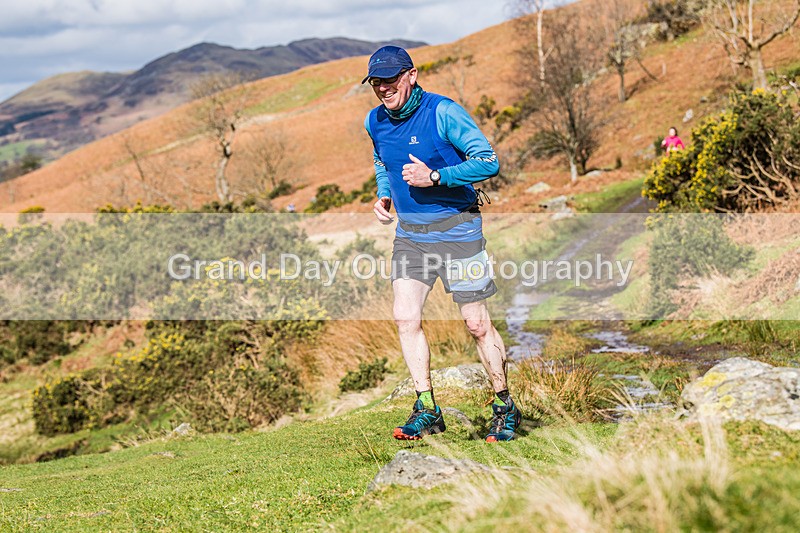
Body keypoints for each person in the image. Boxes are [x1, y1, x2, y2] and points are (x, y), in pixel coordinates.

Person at [362, 46, 521, 442]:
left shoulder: (443, 112)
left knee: (477, 324)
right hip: (411, 237)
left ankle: (504, 406)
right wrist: (384, 195)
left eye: (391, 79)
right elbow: (382, 161)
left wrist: (436, 177)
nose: (383, 88)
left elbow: (488, 161)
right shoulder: (374, 121)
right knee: (405, 318)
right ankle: (428, 409)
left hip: (459, 231)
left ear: (411, 75)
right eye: (376, 82)